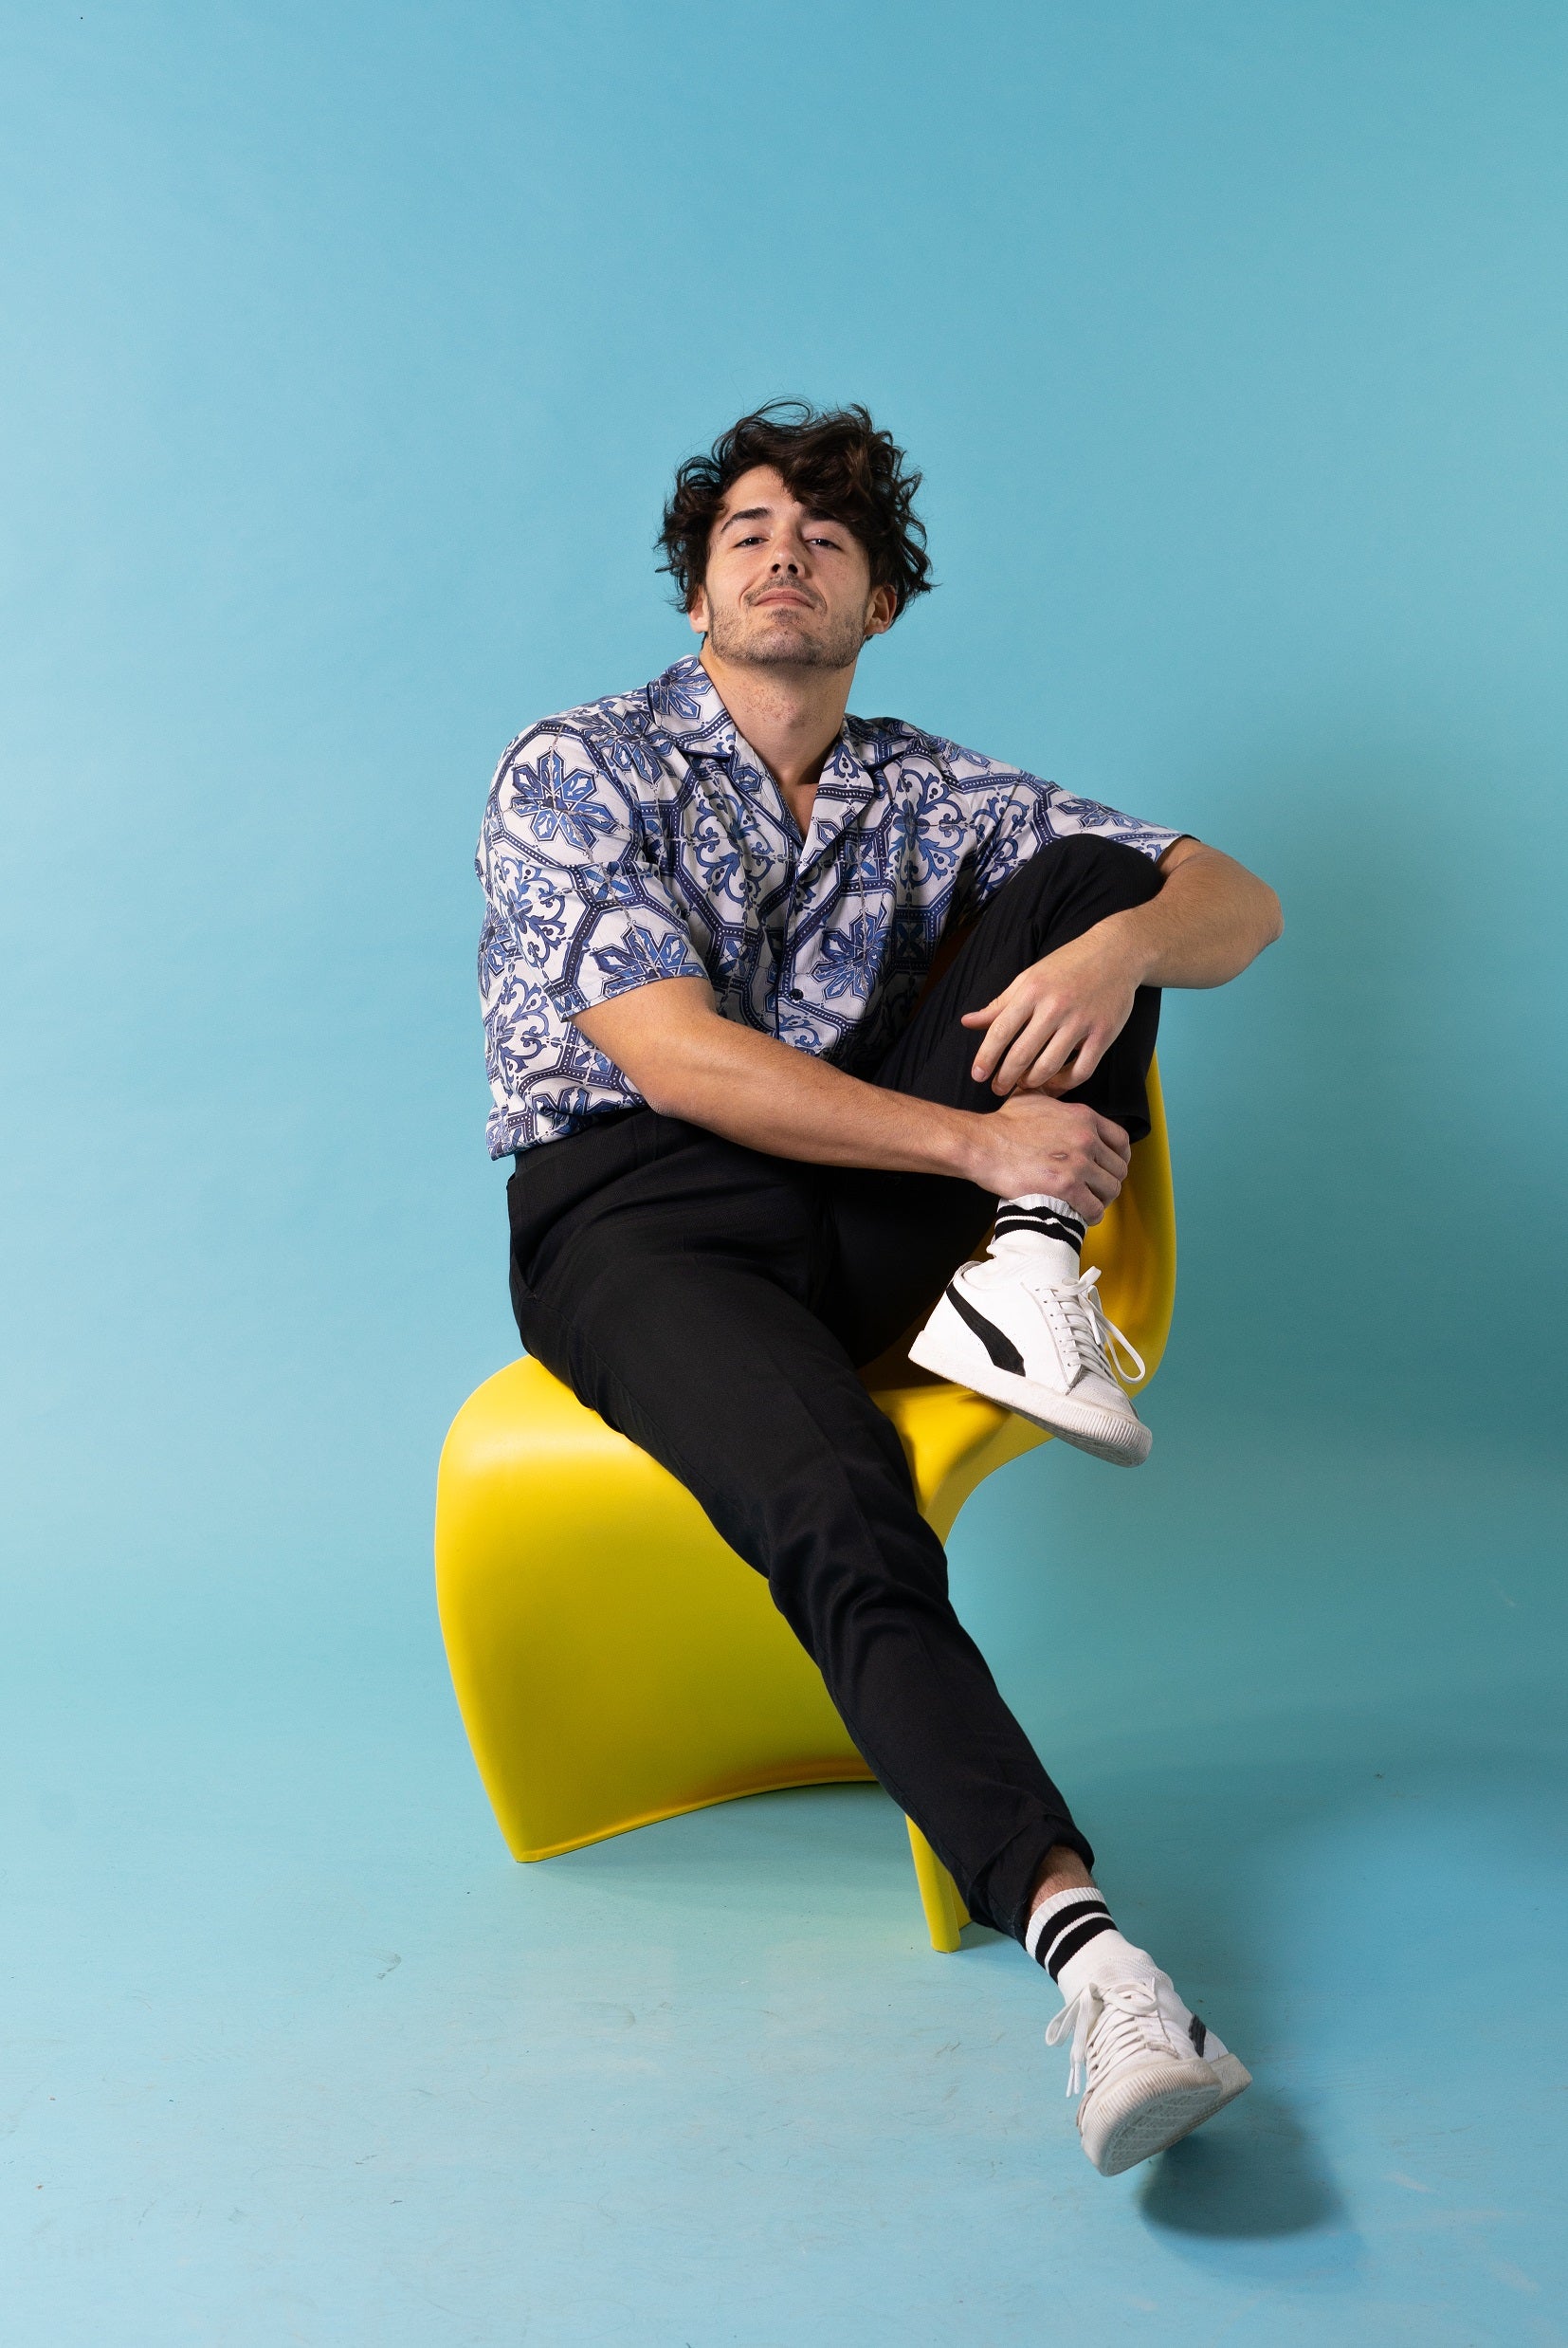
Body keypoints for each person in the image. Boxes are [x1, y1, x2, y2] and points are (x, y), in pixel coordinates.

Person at [476, 402, 1283, 2176]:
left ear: (878, 602)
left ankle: (1021, 1272)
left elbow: (1238, 905)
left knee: (1096, 878)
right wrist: (986, 1150)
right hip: (641, 1223)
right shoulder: (577, 765)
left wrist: (1120, 946)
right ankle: (1098, 1964)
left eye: (825, 540)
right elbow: (676, 1058)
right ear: (698, 589)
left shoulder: (917, 783)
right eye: (749, 532)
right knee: (839, 1500)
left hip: (860, 1207)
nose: (785, 556)